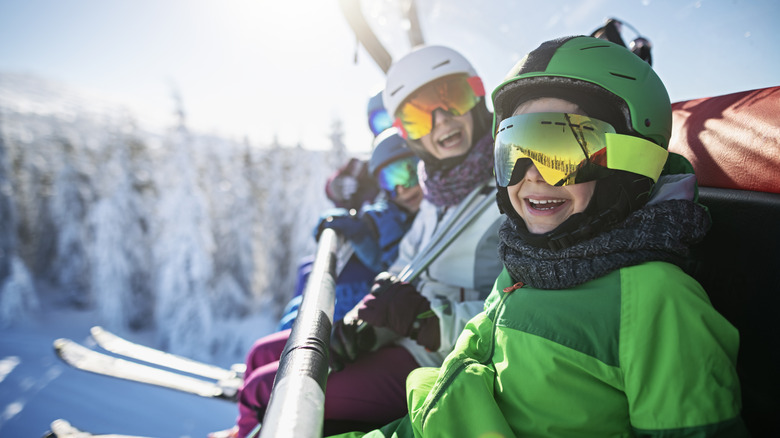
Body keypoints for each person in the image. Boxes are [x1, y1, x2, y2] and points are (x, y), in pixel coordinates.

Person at [334, 36, 747, 438]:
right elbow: (478, 348)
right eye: (514, 150)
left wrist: (425, 324)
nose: (531, 174)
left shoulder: (657, 300)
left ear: (630, 161)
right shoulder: (528, 262)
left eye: (562, 151)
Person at [231, 44, 504, 438]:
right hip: (405, 339)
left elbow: (515, 307)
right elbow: (405, 263)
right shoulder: (439, 189)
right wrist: (367, 319)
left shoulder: (508, 189)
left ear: (477, 97)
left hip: (440, 356)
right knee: (267, 357)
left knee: (270, 389)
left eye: (452, 97)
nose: (441, 119)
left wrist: (426, 321)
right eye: (418, 115)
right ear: (408, 134)